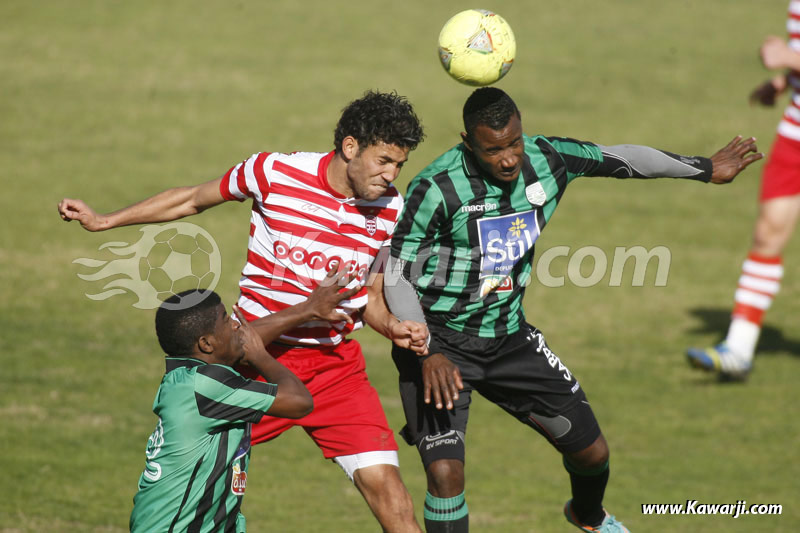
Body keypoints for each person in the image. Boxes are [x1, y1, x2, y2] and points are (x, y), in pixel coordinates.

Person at [383, 87, 761, 533]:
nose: (507, 159)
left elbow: (621, 158)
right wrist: (426, 352)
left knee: (592, 452)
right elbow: (395, 272)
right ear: (468, 142)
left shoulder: (548, 159)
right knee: (446, 475)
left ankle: (588, 516)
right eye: (492, 150)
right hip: (439, 344)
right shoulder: (436, 186)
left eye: (513, 143)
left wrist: (704, 169)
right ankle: (428, 423)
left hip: (509, 339)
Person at [59, 91, 428, 532]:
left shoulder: (391, 209)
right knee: (190, 482)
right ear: (350, 147)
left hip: (335, 370)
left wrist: (392, 326)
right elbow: (192, 199)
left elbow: (364, 294)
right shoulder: (274, 171)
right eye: (383, 160)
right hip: (251, 358)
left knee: (393, 497)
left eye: (399, 166)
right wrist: (105, 220)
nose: (391, 175)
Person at [129, 287, 319, 532]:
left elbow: (237, 344)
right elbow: (299, 401)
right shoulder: (206, 386)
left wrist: (306, 310)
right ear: (207, 343)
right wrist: (261, 356)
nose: (237, 327)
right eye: (226, 320)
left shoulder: (189, 379)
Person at [687, 2, 800, 381]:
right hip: (794, 134)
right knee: (767, 234)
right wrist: (785, 81)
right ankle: (739, 348)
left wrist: (790, 58)